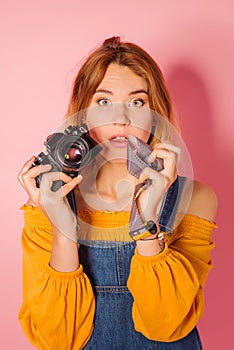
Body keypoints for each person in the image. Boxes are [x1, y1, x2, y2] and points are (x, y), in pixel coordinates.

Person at [17, 36, 218, 350]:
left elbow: (166, 326)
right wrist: (65, 230)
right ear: (83, 112)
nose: (121, 119)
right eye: (103, 101)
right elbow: (57, 340)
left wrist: (147, 222)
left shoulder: (195, 198)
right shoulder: (49, 199)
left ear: (156, 112)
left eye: (137, 102)